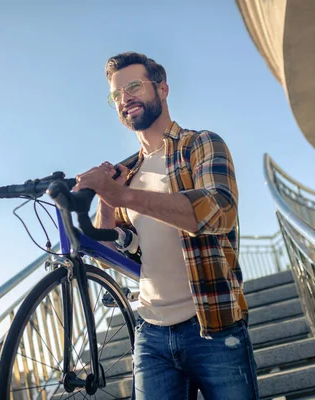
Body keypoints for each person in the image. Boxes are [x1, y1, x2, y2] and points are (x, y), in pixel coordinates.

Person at [74, 51, 259, 400]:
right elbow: (112, 251)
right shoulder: (127, 175)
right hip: (151, 335)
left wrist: (123, 197)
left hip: (214, 326)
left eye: (133, 86)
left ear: (162, 89)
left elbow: (217, 211)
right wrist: (106, 197)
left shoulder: (201, 145)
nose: (124, 98)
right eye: (116, 94)